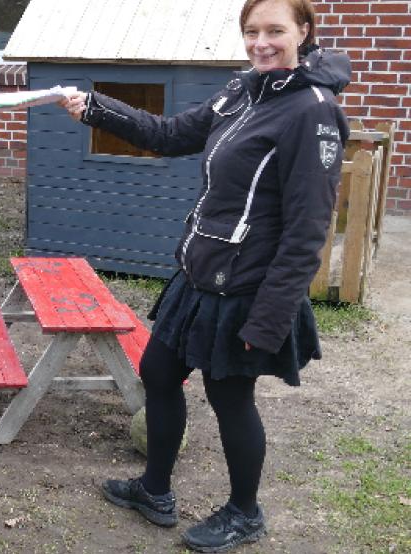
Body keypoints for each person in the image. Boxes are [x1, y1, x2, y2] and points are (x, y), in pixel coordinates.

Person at [58, 0, 349, 551]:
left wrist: (267, 322)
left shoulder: (313, 112)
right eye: (251, 31)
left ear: (304, 32)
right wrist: (95, 107)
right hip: (199, 272)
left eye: (275, 31)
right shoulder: (243, 89)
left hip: (246, 287)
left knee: (230, 397)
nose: (261, 42)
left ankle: (245, 512)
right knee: (160, 372)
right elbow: (168, 134)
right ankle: (155, 490)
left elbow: (307, 231)